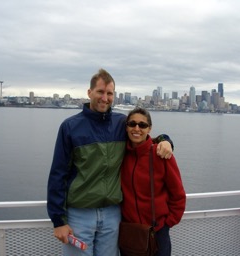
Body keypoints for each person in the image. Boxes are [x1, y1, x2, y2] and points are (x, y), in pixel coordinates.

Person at [47, 69, 174, 256]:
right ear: (89, 92)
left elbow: (143, 137)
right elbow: (58, 175)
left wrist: (165, 140)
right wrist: (58, 221)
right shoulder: (70, 127)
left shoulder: (120, 123)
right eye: (100, 92)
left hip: (112, 215)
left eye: (109, 93)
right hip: (80, 214)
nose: (104, 98)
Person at [120, 107, 186, 256]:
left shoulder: (160, 154)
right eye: (132, 124)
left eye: (142, 125)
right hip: (130, 231)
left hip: (157, 232)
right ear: (126, 127)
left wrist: (167, 223)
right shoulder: (121, 153)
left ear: (149, 128)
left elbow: (178, 194)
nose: (137, 128)